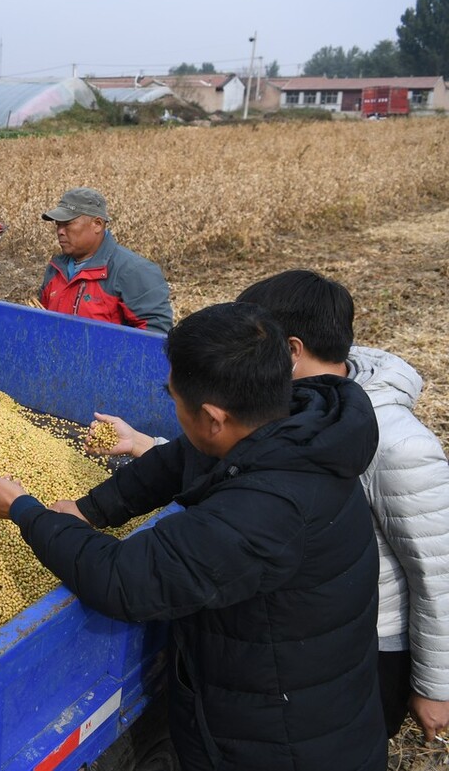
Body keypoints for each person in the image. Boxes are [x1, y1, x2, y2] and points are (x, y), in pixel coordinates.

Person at [0, 302, 386, 771]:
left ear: (214, 417)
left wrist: (25, 511)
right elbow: (182, 459)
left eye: (173, 398)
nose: (171, 406)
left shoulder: (263, 509)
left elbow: (124, 579)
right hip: (281, 687)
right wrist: (90, 509)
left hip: (282, 741)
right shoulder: (287, 423)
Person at [89, 269, 449, 744]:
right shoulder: (295, 408)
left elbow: (437, 572)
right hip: (290, 624)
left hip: (366, 639)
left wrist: (435, 686)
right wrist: (145, 446)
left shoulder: (399, 445)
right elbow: (247, 465)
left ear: (292, 350)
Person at [35, 187, 172, 334]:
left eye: (67, 224)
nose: (60, 231)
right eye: (58, 224)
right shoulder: (56, 268)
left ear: (97, 224)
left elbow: (154, 337)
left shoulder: (133, 271)